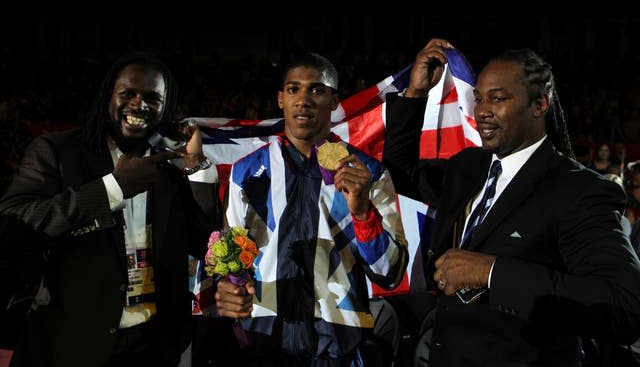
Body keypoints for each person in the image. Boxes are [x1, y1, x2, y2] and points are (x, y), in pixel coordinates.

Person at [382, 38, 640, 366]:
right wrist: (416, 94)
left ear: (539, 104)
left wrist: (492, 273)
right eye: (479, 99)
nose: (483, 111)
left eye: (498, 98)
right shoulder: (469, 167)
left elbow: (624, 307)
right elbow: (399, 174)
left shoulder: (580, 190)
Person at [0, 52, 222, 367]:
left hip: (152, 348)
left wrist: (197, 166)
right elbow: (12, 229)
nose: (138, 104)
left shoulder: (172, 168)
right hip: (70, 346)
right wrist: (112, 189)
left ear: (165, 107)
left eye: (151, 98)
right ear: (109, 97)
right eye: (127, 93)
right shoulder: (58, 151)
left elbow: (206, 245)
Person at [214, 52, 408, 366]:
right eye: (294, 89)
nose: (303, 99)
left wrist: (362, 213)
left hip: (339, 343)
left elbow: (390, 273)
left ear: (334, 101)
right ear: (280, 99)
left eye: (317, 90)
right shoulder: (247, 173)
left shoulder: (367, 172)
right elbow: (230, 261)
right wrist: (227, 288)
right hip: (264, 338)